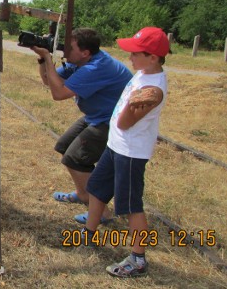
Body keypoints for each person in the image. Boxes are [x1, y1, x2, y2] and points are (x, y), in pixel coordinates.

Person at [81, 27, 170, 277]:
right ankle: (88, 233)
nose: (130, 57)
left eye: (135, 53)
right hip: (116, 146)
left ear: (153, 57)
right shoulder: (144, 73)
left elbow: (124, 123)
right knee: (97, 188)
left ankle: (138, 259)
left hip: (131, 153)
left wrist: (133, 105)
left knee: (130, 206)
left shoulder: (154, 90)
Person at [30, 28, 132, 223]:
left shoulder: (95, 68)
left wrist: (49, 60)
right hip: (97, 115)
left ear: (85, 52)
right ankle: (82, 193)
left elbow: (58, 94)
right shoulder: (79, 61)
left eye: (70, 47)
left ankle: (100, 211)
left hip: (112, 121)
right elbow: (48, 81)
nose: (65, 50)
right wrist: (43, 59)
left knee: (75, 158)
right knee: (64, 146)